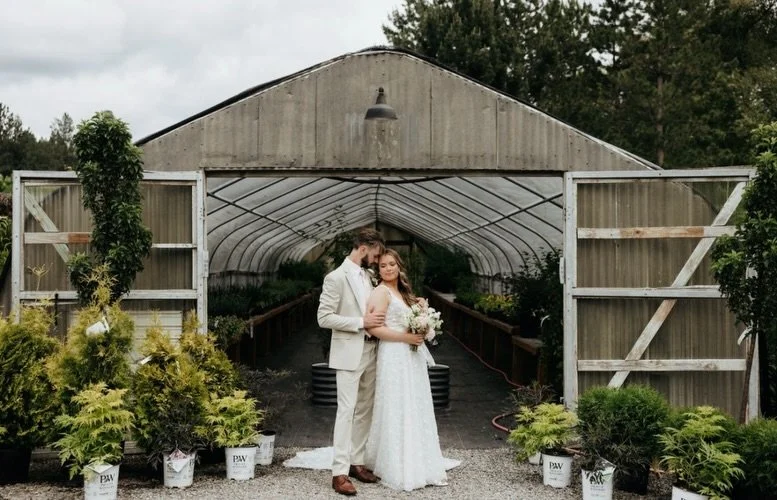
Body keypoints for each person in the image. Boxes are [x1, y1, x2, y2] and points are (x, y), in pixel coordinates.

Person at [317, 229, 415, 496]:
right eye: (375, 254)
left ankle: (356, 462)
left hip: (374, 351)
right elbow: (324, 318)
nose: (377, 259)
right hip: (349, 352)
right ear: (364, 248)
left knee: (365, 410)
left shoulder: (370, 276)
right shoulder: (335, 278)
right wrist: (361, 322)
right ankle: (339, 473)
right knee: (346, 411)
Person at [363, 248, 455, 491]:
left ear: (399, 266)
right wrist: (405, 338)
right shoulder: (380, 292)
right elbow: (373, 329)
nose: (388, 269)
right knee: (397, 403)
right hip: (394, 354)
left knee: (414, 401)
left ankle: (418, 459)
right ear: (378, 270)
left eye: (392, 264)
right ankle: (396, 464)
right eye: (383, 265)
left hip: (411, 356)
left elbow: (411, 322)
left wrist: (422, 314)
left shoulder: (402, 292)